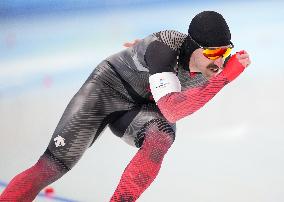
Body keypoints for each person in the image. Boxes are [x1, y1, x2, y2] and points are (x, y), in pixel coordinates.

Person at [0, 11, 251, 202]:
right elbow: (174, 109)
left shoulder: (204, 61)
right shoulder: (166, 49)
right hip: (105, 90)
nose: (219, 61)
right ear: (193, 46)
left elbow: (169, 112)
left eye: (225, 53)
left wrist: (221, 73)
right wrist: (226, 77)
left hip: (143, 106)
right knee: (50, 168)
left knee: (160, 138)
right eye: (212, 53)